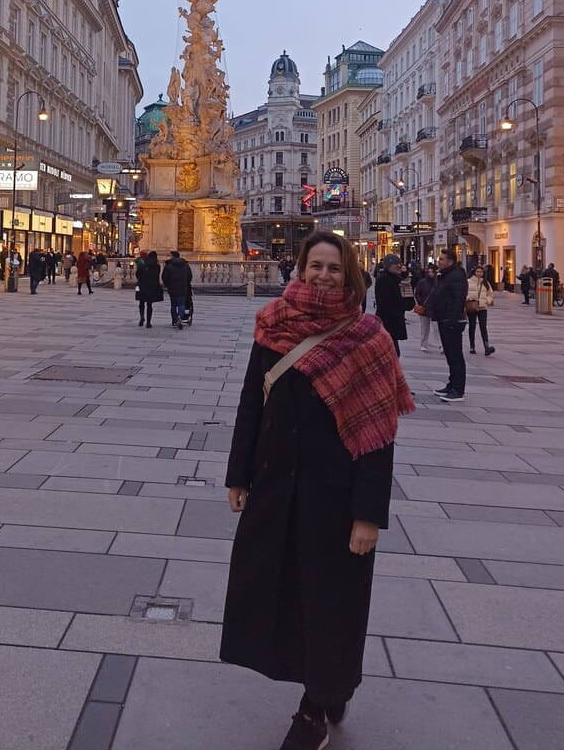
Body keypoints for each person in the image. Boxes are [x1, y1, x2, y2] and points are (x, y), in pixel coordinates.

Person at [221, 230, 414, 749]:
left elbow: (378, 434)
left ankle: (315, 708)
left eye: (333, 267)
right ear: (301, 269)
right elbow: (250, 405)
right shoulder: (274, 325)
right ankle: (330, 683)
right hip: (278, 490)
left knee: (332, 603)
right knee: (282, 595)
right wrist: (239, 475)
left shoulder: (369, 336)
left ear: (348, 273)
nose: (323, 275)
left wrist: (368, 515)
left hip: (337, 499)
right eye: (316, 266)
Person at [433, 249, 469, 402]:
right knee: (450, 355)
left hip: (451, 321)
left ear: (450, 261)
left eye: (441, 259)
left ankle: (458, 390)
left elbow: (459, 299)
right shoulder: (446, 275)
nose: (438, 261)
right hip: (444, 318)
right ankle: (451, 384)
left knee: (455, 356)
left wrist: (451, 320)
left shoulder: (456, 276)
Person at [374, 254, 409, 357]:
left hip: (392, 322)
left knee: (393, 351)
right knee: (392, 351)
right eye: (396, 264)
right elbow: (386, 303)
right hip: (388, 322)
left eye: (400, 263)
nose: (399, 265)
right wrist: (400, 307)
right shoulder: (385, 280)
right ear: (388, 266)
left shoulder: (394, 278)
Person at [466, 265, 495, 357]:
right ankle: (472, 346)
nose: (479, 273)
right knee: (472, 326)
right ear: (474, 272)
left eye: (481, 272)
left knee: (483, 327)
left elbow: (490, 294)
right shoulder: (469, 282)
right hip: (472, 306)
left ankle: (486, 347)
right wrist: (469, 298)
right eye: (477, 271)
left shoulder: (486, 283)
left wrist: (487, 300)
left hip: (482, 307)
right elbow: (464, 293)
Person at [162, 250, 192, 329]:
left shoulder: (168, 265)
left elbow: (164, 277)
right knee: (182, 304)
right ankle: (180, 317)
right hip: (183, 288)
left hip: (172, 288)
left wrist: (167, 285)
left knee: (173, 305)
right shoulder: (185, 265)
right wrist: (185, 283)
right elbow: (190, 276)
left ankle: (174, 320)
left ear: (172, 256)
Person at [414, 264, 439, 352]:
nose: (431, 274)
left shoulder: (438, 283)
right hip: (424, 308)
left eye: (432, 272)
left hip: (435, 308)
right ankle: (423, 344)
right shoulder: (422, 282)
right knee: (425, 328)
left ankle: (440, 344)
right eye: (429, 272)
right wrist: (421, 302)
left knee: (437, 327)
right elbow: (417, 293)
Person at [136, 250, 163, 328]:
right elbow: (157, 276)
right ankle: (148, 322)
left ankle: (142, 317)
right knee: (149, 304)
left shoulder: (143, 264)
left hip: (142, 285)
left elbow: (137, 274)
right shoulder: (157, 266)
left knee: (141, 303)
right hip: (152, 286)